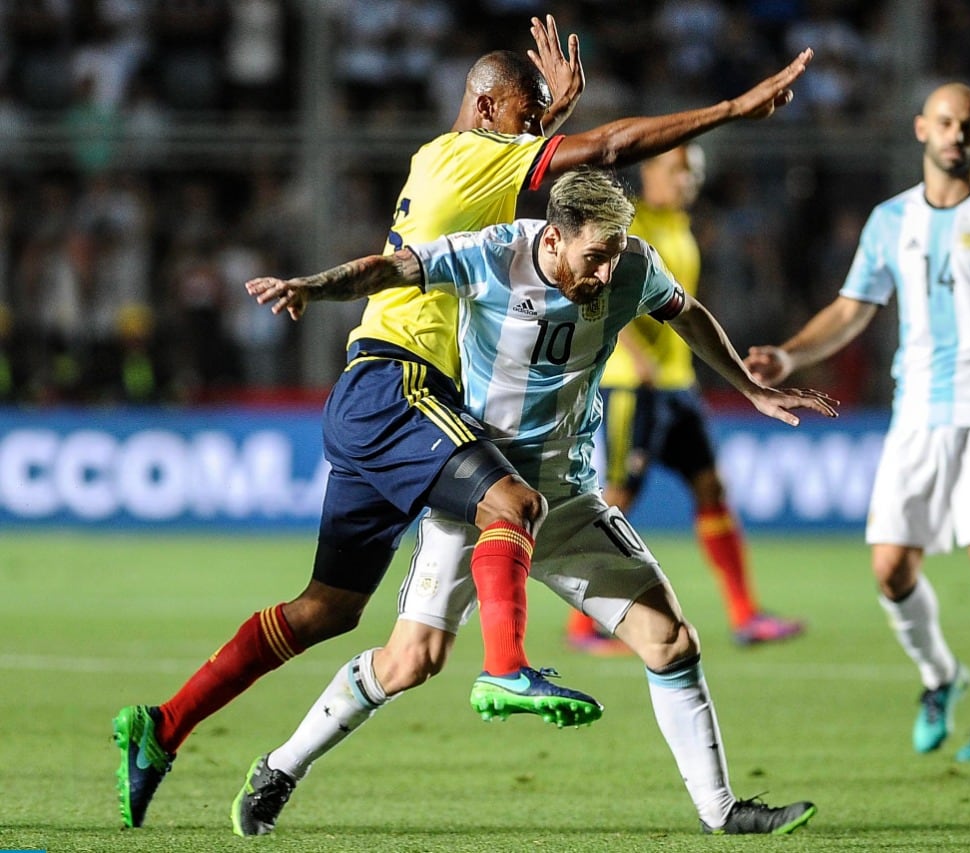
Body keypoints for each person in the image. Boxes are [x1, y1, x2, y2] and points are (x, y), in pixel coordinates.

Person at [113, 16, 816, 829]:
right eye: (530, 119)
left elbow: (593, 215)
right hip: (400, 384)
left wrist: (551, 107)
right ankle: (508, 667)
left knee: (341, 615)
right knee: (508, 502)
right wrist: (733, 107)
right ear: (489, 114)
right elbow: (610, 150)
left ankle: (172, 726)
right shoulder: (494, 215)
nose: (541, 134)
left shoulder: (448, 162)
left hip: (437, 417)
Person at [236, 168, 835, 836]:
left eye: (613, 256)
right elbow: (389, 269)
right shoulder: (492, 254)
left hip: (569, 496)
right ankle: (281, 768)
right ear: (552, 238)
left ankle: (722, 811)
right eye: (593, 257)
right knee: (411, 661)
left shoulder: (634, 265)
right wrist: (310, 288)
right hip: (482, 494)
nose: (606, 275)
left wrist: (749, 386)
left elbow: (686, 312)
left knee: (670, 639)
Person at [745, 82, 970, 763]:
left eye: (969, 124)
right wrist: (790, 352)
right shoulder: (890, 220)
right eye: (945, 121)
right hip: (919, 411)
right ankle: (942, 675)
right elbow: (852, 309)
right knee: (890, 569)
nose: (956, 133)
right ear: (920, 129)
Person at [565, 143, 804, 654]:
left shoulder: (682, 226)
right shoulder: (634, 226)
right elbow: (601, 291)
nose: (688, 180)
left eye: (694, 172)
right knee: (618, 496)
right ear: (650, 172)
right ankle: (583, 625)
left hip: (678, 386)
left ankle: (745, 615)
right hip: (635, 384)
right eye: (677, 170)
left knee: (711, 488)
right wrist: (634, 352)